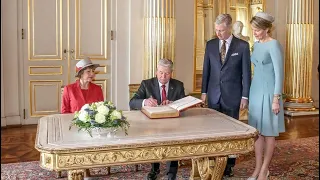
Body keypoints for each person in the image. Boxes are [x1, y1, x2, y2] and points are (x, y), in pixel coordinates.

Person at [201, 14, 251, 177]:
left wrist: (245, 96)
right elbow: (206, 71)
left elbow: (246, 74)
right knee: (214, 131)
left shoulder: (242, 46)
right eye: (216, 30)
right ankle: (214, 161)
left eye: (221, 30)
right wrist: (204, 92)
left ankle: (229, 165)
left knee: (232, 132)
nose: (218, 34)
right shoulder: (210, 45)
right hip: (214, 96)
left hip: (233, 96)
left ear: (229, 28)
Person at [129, 58, 185, 180]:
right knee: (155, 141)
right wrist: (145, 101)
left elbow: (184, 104)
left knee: (173, 142)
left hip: (173, 125)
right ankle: (155, 169)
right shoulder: (146, 84)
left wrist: (173, 103)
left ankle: (171, 173)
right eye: (160, 72)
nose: (163, 76)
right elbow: (132, 102)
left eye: (167, 73)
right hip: (153, 125)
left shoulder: (178, 85)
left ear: (171, 73)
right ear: (156, 71)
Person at [247, 12, 285, 180]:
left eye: (258, 29)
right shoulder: (256, 45)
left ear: (267, 29)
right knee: (257, 133)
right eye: (254, 29)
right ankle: (257, 168)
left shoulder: (274, 45)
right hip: (255, 91)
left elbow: (279, 74)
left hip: (270, 93)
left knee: (268, 132)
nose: (255, 32)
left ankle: (264, 169)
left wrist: (276, 99)